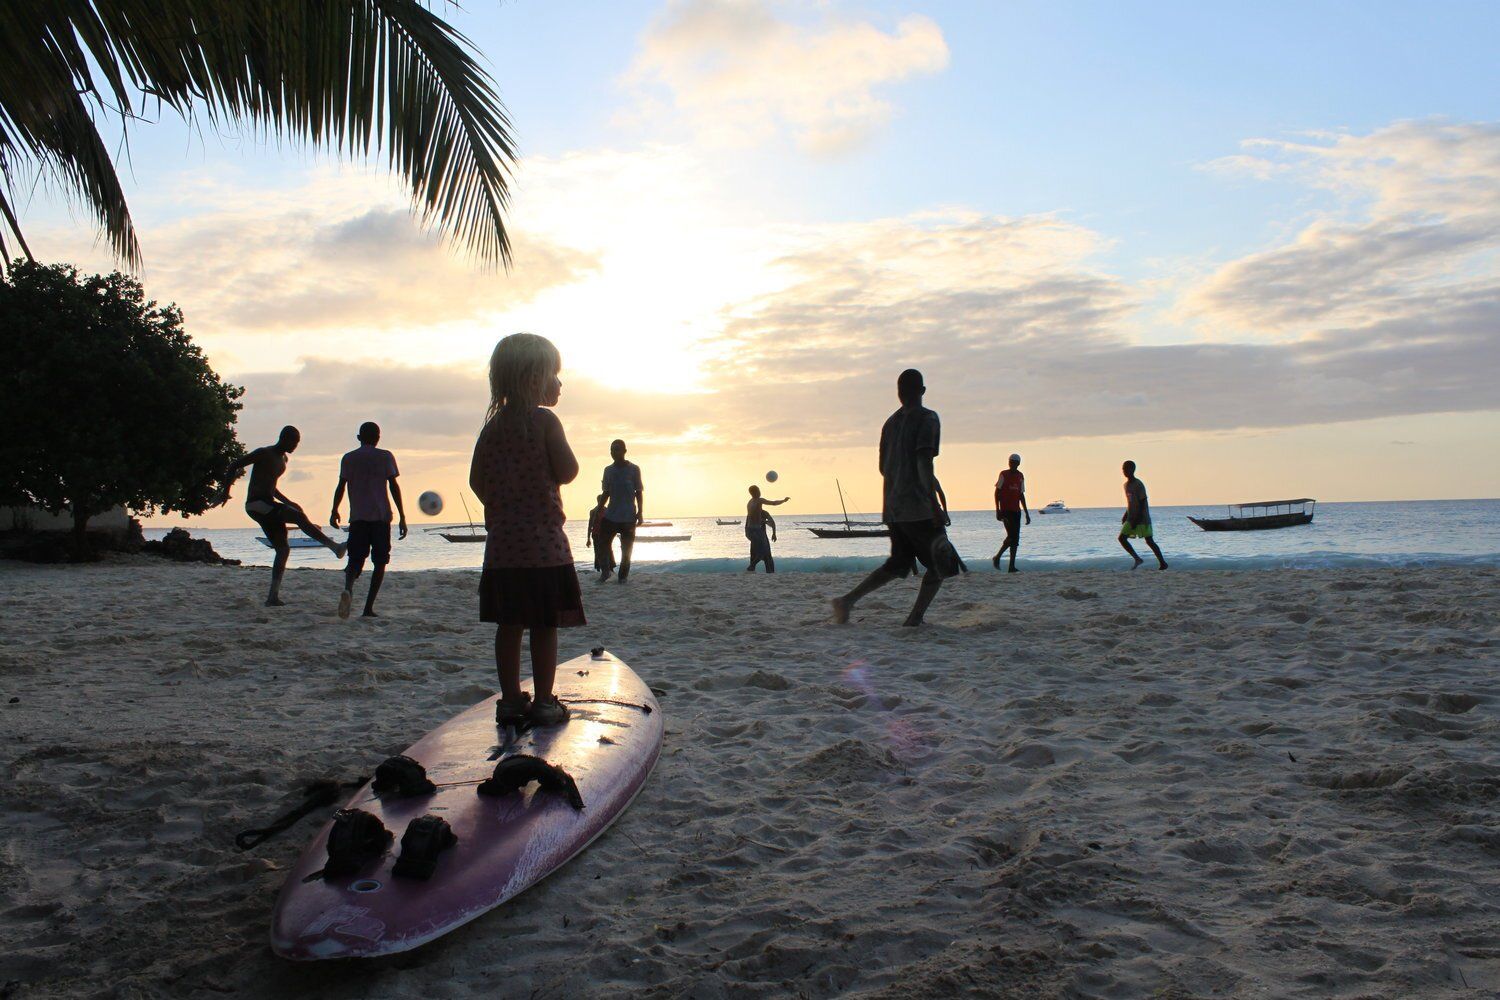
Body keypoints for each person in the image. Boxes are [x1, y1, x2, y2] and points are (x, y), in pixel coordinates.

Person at [470, 333, 583, 729]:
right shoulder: (545, 421)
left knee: (509, 625)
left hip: (503, 550)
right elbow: (568, 471)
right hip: (544, 548)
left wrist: (502, 506)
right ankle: (546, 701)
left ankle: (512, 700)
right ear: (534, 378)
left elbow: (475, 481)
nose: (559, 383)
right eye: (554, 374)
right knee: (544, 625)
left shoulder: (493, 427)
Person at [831, 369, 960, 627]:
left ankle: (847, 601)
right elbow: (924, 461)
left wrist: (910, 478)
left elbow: (883, 467)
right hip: (917, 506)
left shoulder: (890, 423)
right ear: (922, 391)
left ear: (899, 394)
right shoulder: (928, 419)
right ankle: (915, 618)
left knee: (899, 563)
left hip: (892, 505)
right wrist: (934, 503)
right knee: (943, 562)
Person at [222, 426, 346, 607]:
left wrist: (289, 502)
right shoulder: (264, 453)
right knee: (299, 518)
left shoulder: (284, 460)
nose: (295, 446)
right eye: (293, 442)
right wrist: (225, 492)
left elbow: (272, 487)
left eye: (297, 443)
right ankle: (334, 547)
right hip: (257, 504)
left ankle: (272, 596)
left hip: (268, 506)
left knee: (283, 549)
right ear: (284, 438)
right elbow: (234, 465)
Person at [329, 422, 407, 618]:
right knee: (380, 562)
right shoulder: (385, 456)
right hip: (380, 518)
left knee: (355, 559)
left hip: (358, 518)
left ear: (358, 437)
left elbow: (341, 486)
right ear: (378, 437)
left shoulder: (349, 458)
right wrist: (403, 516)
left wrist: (334, 510)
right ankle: (368, 608)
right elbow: (393, 487)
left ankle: (348, 588)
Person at [597, 439, 643, 583]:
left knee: (626, 551)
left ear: (624, 451)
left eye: (616, 449)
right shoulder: (608, 470)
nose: (613, 452)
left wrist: (640, 512)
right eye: (611, 449)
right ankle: (606, 572)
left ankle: (622, 577)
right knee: (601, 543)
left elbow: (639, 491)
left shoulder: (634, 469)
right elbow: (606, 492)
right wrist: (599, 509)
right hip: (611, 515)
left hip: (628, 516)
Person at [1118, 460, 1168, 570]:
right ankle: (1137, 559)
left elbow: (1142, 502)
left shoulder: (1138, 484)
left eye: (1126, 469)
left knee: (1149, 541)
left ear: (1132, 470)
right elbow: (1130, 502)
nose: (1124, 471)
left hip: (1142, 518)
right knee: (1122, 538)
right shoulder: (1126, 485)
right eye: (1123, 469)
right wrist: (1126, 514)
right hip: (1131, 517)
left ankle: (1163, 563)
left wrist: (1138, 518)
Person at [992, 453, 1031, 572]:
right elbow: (997, 493)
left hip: (1016, 511)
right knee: (1011, 536)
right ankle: (997, 557)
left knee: (1015, 539)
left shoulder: (1020, 476)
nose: (1012, 464)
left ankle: (1011, 566)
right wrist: (997, 510)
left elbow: (1021, 495)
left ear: (1018, 464)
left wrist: (1026, 513)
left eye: (1014, 462)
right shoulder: (1003, 474)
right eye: (1011, 462)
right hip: (1005, 511)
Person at [745, 485, 790, 572]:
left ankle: (753, 568)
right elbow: (773, 503)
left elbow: (749, 519)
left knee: (757, 551)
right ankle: (752, 565)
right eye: (758, 490)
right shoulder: (759, 500)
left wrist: (747, 533)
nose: (759, 492)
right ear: (754, 492)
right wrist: (783, 501)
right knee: (763, 551)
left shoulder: (749, 503)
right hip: (756, 531)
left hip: (750, 531)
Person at [586, 493, 616, 581]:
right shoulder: (593, 511)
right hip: (596, 534)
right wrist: (588, 539)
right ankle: (600, 569)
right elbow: (590, 525)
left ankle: (610, 568)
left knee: (608, 551)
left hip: (606, 534)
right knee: (598, 551)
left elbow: (611, 523)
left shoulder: (607, 510)